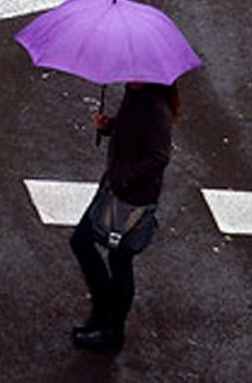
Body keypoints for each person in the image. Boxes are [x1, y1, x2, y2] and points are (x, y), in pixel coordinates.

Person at [69, 82, 179, 352]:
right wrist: (108, 127)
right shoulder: (136, 95)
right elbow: (132, 129)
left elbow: (159, 156)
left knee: (119, 259)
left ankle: (112, 331)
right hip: (116, 188)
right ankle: (103, 310)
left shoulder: (155, 109)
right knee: (83, 241)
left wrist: (126, 179)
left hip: (131, 197)